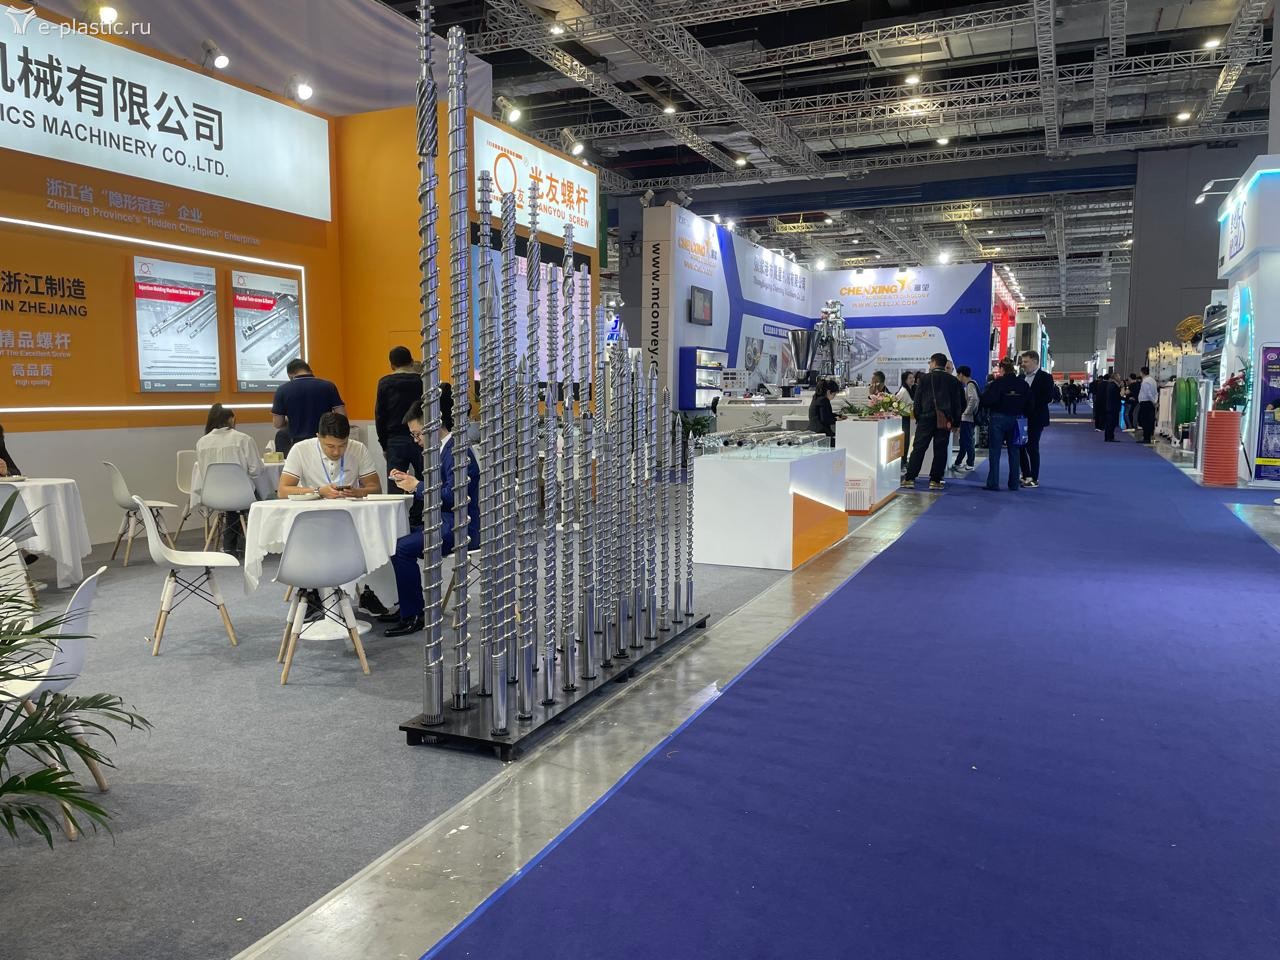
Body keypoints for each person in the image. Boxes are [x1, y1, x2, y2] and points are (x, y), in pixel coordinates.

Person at [380, 401, 480, 637]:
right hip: (446, 522)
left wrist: (417, 486)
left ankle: (414, 613)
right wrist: (410, 482)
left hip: (460, 527)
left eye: (417, 434)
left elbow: (454, 497)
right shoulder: (445, 450)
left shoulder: (457, 451)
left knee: (400, 549)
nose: (416, 440)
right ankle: (409, 606)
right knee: (394, 538)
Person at [194, 404, 264, 555]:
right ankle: (248, 542)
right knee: (265, 495)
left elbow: (203, 473)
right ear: (231, 419)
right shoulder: (244, 439)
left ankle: (230, 545)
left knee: (233, 505)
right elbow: (256, 470)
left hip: (212, 496)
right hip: (242, 496)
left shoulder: (201, 442)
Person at [278, 412, 380, 499]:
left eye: (343, 445)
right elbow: (282, 491)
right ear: (318, 437)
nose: (336, 452)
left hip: (349, 508)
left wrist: (357, 492)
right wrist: (318, 492)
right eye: (330, 446)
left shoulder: (359, 448)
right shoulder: (300, 449)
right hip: (312, 509)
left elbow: (376, 489)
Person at [901, 353, 965, 490]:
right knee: (940, 450)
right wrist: (955, 423)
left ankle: (910, 478)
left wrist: (919, 417)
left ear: (934, 363)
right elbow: (958, 404)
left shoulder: (924, 379)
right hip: (944, 420)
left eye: (930, 362)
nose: (929, 364)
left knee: (918, 448)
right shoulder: (953, 381)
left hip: (926, 418)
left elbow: (917, 401)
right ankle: (935, 480)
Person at [376, 345, 425, 517]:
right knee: (424, 480)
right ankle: (420, 518)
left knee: (395, 481)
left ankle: (396, 519)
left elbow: (380, 416)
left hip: (395, 439)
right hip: (421, 437)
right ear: (411, 361)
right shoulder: (422, 381)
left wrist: (384, 445)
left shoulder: (385, 383)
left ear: (391, 365)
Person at [980, 358, 1030, 491]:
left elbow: (987, 400)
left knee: (995, 451)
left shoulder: (997, 383)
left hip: (998, 418)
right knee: (1014, 452)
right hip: (1017, 419)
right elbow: (1030, 403)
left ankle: (993, 483)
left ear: (1002, 369)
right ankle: (1013, 484)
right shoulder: (1023, 384)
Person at [272, 359, 345, 442]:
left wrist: (292, 420)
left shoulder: (282, 390)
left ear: (290, 375)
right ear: (310, 370)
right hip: (325, 440)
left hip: (298, 442)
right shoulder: (329, 386)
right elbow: (341, 416)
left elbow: (277, 423)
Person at [1018, 350, 1054, 488]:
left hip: (1037, 418)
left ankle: (1034, 477)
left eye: (1026, 361)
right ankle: (1025, 474)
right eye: (1022, 361)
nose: (1023, 364)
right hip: (1022, 418)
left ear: (1034, 361)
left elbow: (1048, 397)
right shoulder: (1021, 378)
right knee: (1020, 446)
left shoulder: (1045, 377)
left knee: (1032, 447)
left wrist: (1030, 403)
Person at [951, 365, 980, 473]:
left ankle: (970, 463)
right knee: (963, 441)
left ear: (961, 374)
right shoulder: (973, 383)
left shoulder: (970, 385)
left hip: (968, 419)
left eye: (958, 374)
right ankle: (958, 462)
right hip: (968, 418)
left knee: (967, 441)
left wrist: (966, 412)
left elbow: (974, 399)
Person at [808, 379, 840, 444]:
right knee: (840, 441)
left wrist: (838, 416)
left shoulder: (816, 398)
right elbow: (825, 419)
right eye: (834, 394)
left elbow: (826, 413)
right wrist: (836, 419)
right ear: (828, 392)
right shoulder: (824, 400)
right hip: (821, 433)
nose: (834, 396)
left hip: (814, 430)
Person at [895, 372, 915, 471]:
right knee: (904, 441)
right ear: (905, 380)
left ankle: (904, 461)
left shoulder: (909, 389)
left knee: (906, 441)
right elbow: (896, 403)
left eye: (913, 377)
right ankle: (902, 462)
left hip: (907, 418)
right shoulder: (903, 391)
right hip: (903, 418)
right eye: (910, 378)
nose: (912, 379)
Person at [1137, 366, 1159, 444]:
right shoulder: (1153, 380)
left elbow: (1148, 393)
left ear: (1142, 372)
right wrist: (1155, 401)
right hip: (1150, 403)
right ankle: (1147, 437)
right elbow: (1156, 393)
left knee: (1145, 421)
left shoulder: (1145, 381)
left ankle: (1146, 438)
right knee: (1149, 420)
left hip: (1146, 403)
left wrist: (1153, 402)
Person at [1103, 371, 1124, 442]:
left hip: (1110, 406)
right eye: (1119, 376)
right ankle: (1110, 437)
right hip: (1113, 407)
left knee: (1110, 422)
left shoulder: (1111, 385)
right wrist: (1122, 387)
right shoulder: (1114, 386)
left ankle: (1109, 437)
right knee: (1111, 422)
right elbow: (1119, 396)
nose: (1120, 378)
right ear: (1115, 377)